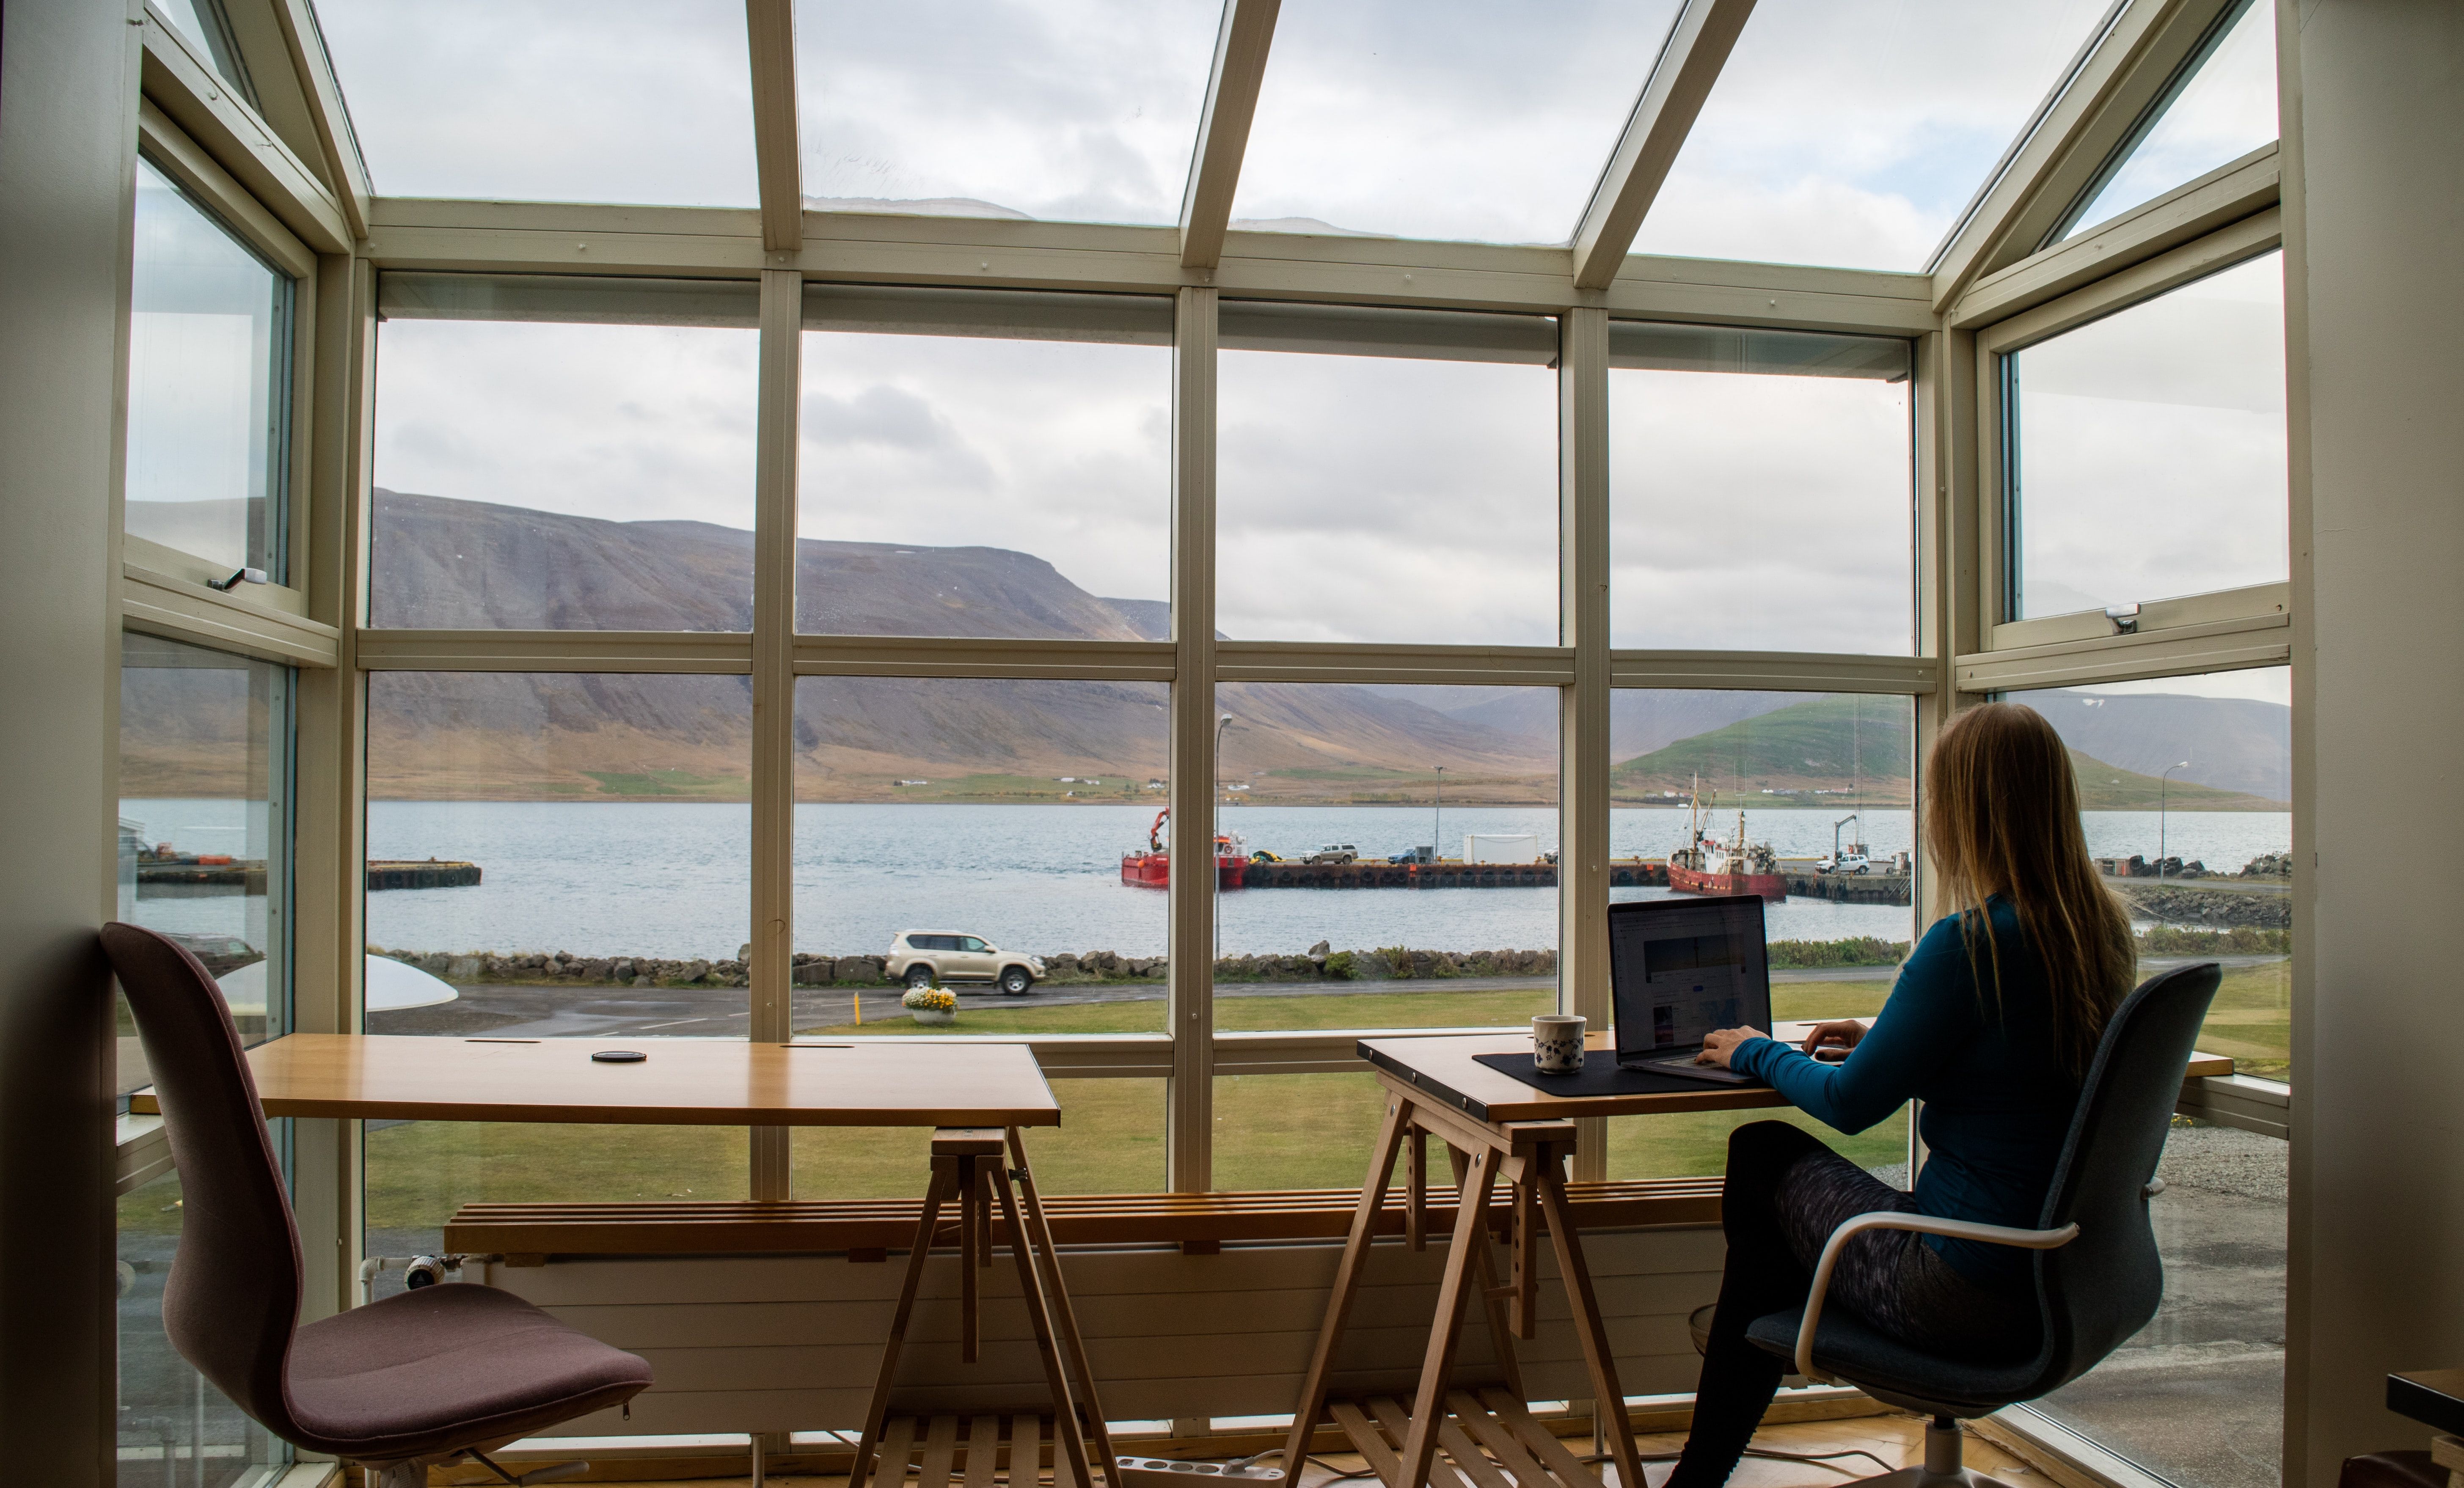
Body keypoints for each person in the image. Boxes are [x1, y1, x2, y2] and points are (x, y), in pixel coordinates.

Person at [1664, 702, 2138, 1488]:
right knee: (1774, 1228)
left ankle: (1716, 1437)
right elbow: (2013, 1061)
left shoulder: (1969, 945)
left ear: (1963, 813)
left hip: (1958, 1291)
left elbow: (1850, 1104)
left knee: (1762, 1153)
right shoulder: (2097, 935)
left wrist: (1757, 1051)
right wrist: (1892, 1037)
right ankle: (1752, 1355)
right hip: (2070, 1281)